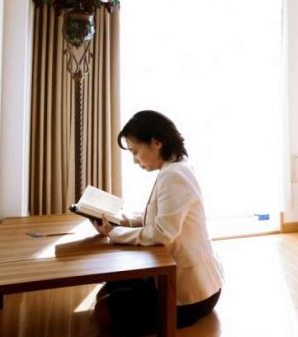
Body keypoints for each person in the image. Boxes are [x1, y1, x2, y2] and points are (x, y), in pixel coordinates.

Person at [92, 110, 223, 335]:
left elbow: (163, 232)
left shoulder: (174, 175)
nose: (134, 160)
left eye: (135, 151)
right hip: (190, 281)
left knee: (103, 312)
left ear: (156, 142)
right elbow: (156, 216)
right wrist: (121, 221)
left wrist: (113, 233)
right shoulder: (174, 168)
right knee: (107, 292)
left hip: (191, 295)